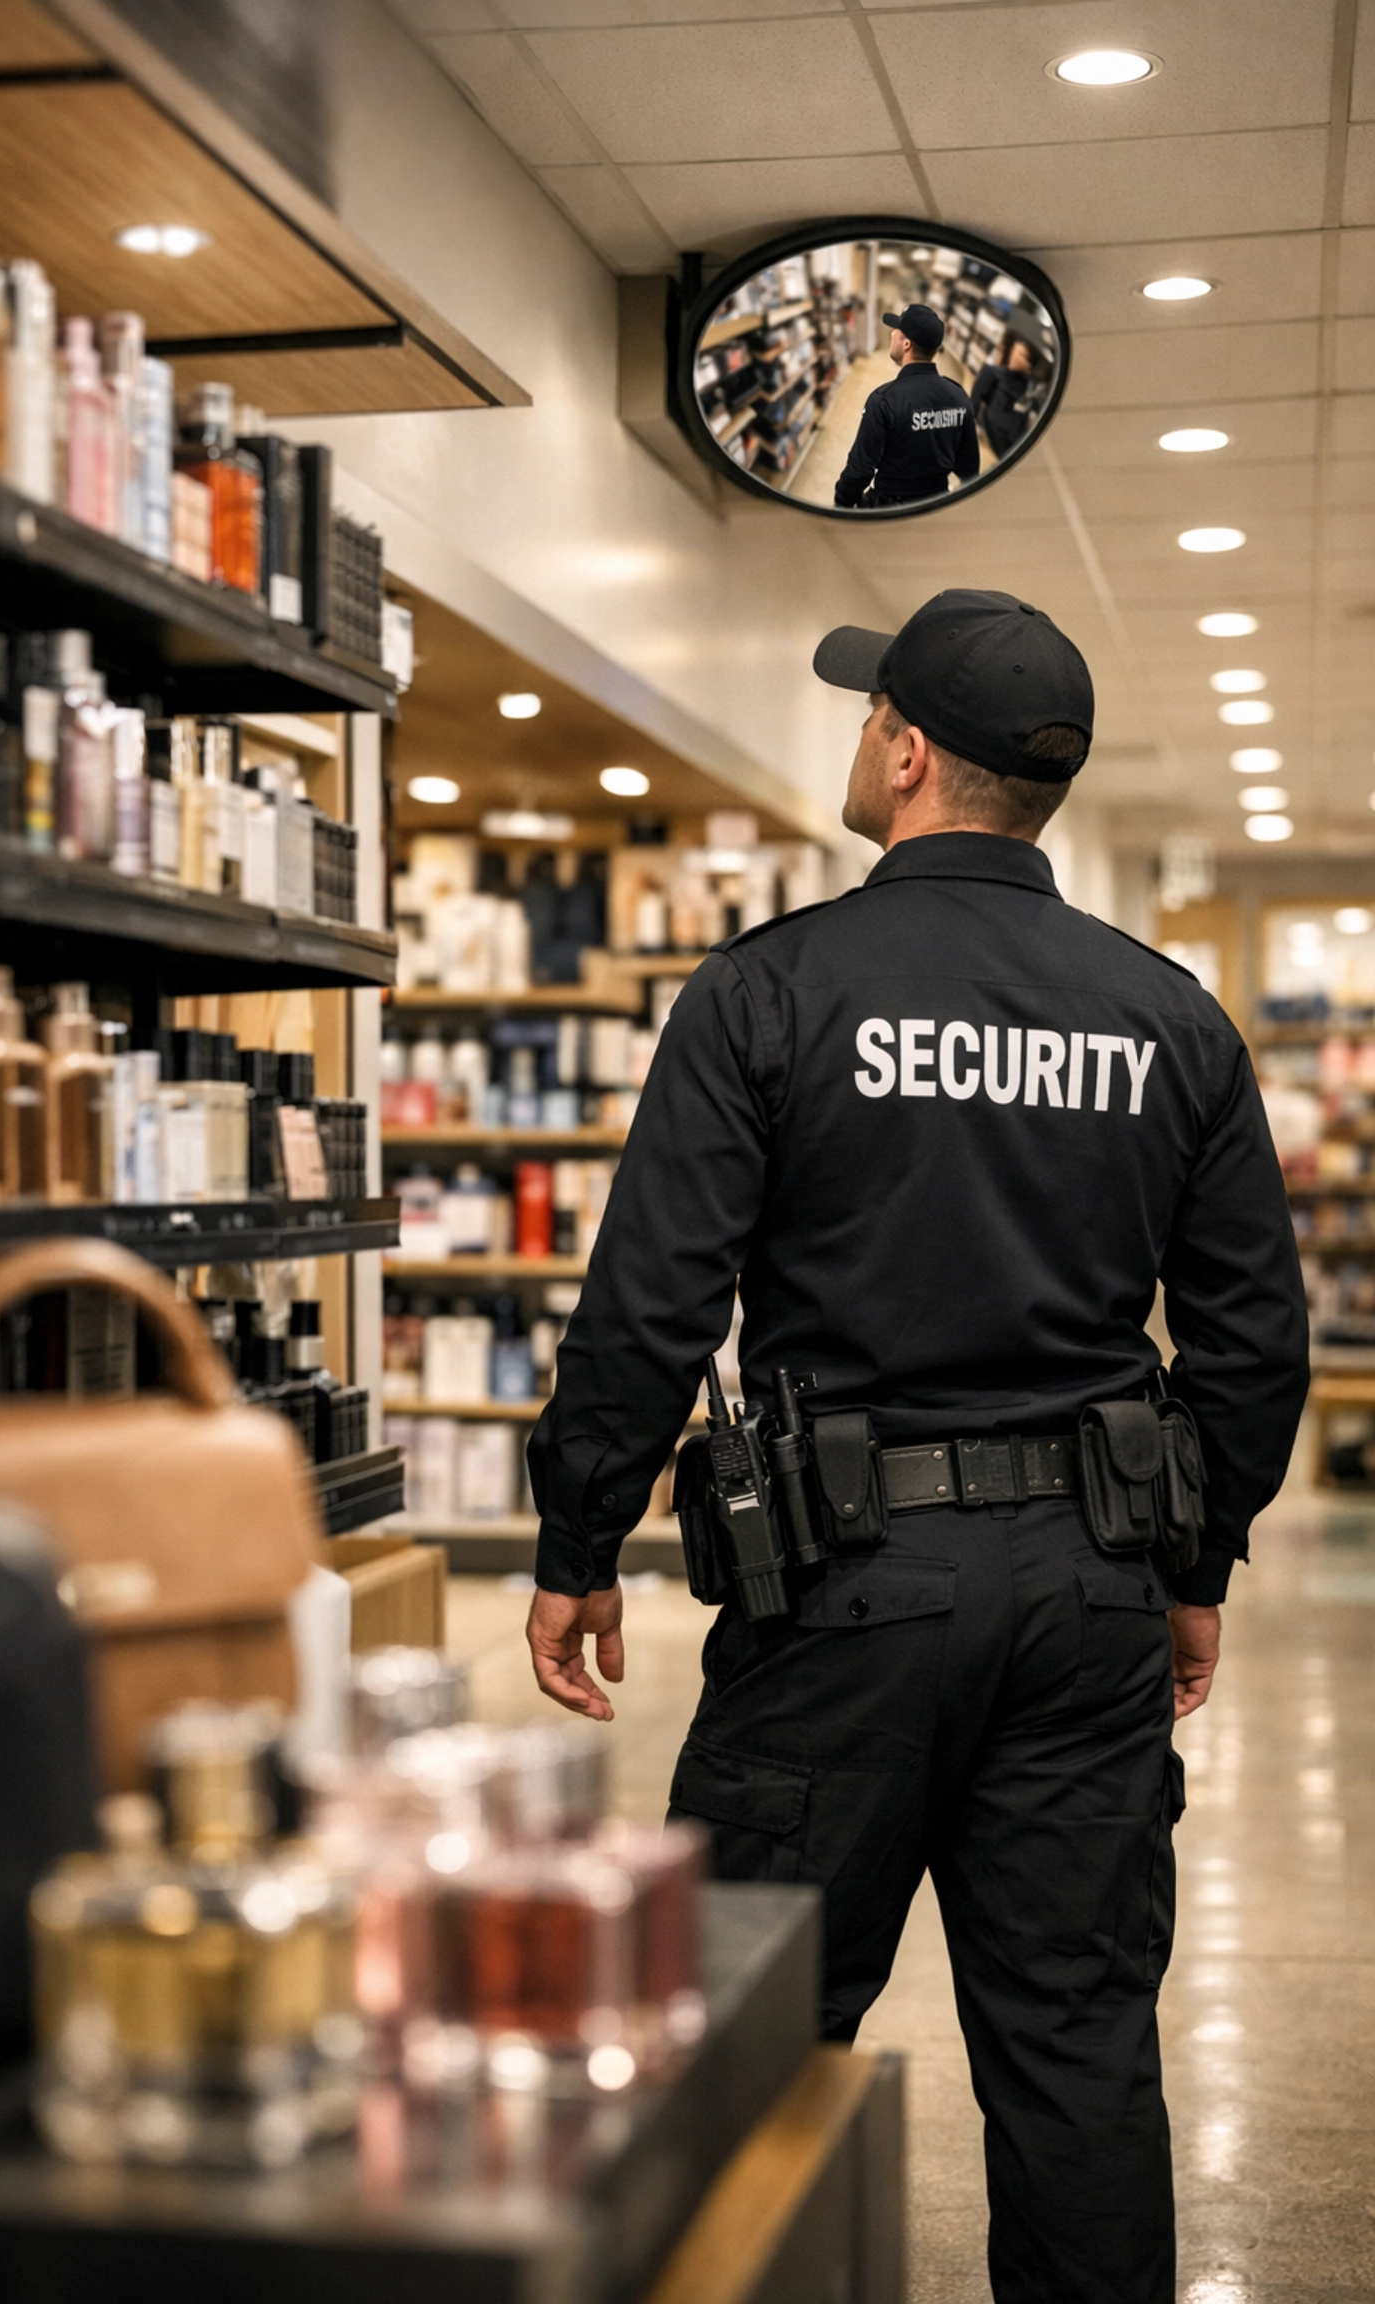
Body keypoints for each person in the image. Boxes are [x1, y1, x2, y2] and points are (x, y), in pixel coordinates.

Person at [523, 589, 1309, 2304]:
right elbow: (1255, 1344)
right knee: (1077, 2050)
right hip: (1087, 1599)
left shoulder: (772, 991)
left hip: (838, 1601)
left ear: (903, 748)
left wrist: (578, 1541)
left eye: (868, 709)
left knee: (744, 2038)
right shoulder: (1168, 1017)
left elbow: (653, 1304)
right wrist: (1190, 1563)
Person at [832, 303, 979, 509]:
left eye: (896, 331)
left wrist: (842, 502)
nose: (892, 334)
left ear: (906, 344)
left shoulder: (884, 401)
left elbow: (860, 470)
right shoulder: (959, 397)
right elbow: (969, 469)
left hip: (888, 512)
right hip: (937, 507)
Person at [971, 333, 1040, 459]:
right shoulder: (992, 373)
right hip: (987, 443)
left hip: (1013, 451)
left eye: (1021, 355)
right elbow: (973, 404)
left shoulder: (1030, 392)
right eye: (1014, 351)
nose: (1014, 356)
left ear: (1029, 366)